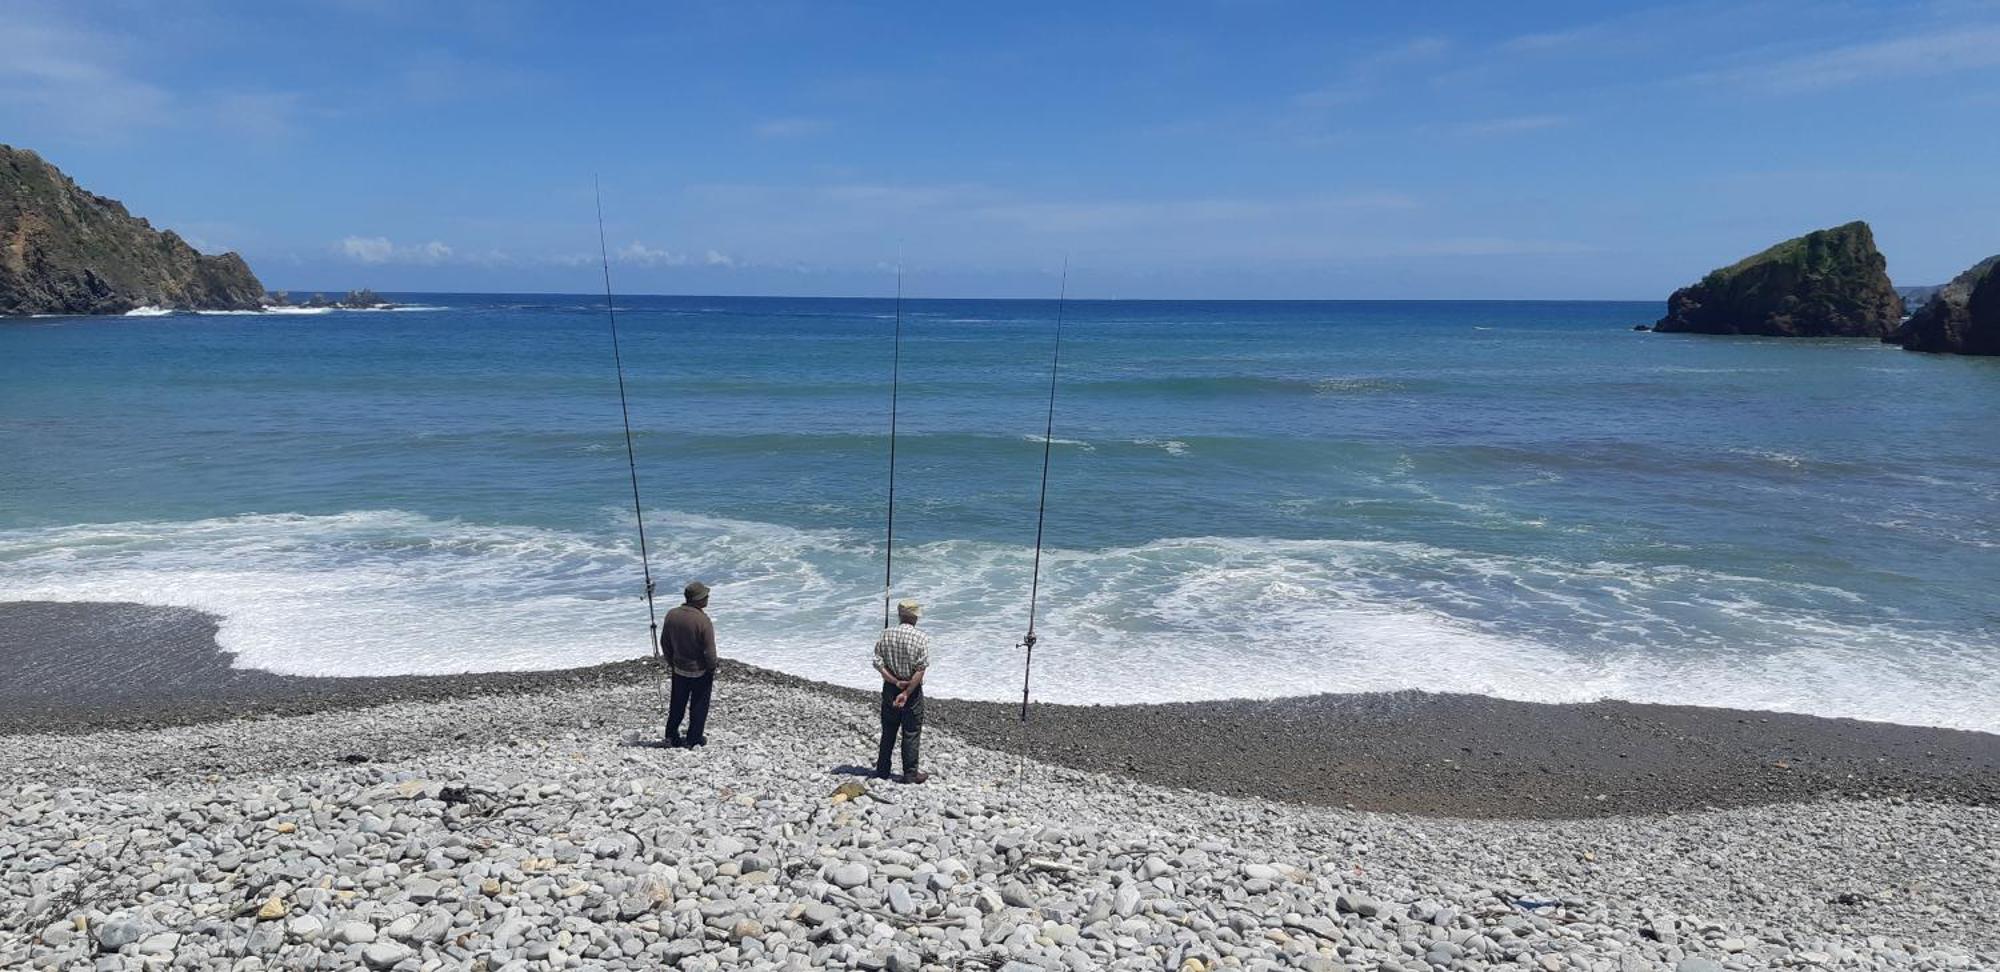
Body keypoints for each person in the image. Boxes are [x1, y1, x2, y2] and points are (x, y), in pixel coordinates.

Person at [873, 598, 931, 783]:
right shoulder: (921, 638)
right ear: (914, 617)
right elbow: (920, 669)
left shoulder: (886, 634)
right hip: (912, 691)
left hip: (890, 687)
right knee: (911, 731)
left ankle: (882, 770)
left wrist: (895, 682)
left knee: (888, 729)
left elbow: (878, 663)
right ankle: (910, 773)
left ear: (899, 615)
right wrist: (906, 692)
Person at [661, 580, 717, 747]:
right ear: (699, 599)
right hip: (699, 670)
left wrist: (672, 662)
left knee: (677, 704)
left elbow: (665, 643)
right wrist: (711, 668)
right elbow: (710, 652)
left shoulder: (672, 615)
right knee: (699, 706)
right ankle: (694, 738)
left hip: (679, 668)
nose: (708, 597)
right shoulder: (703, 620)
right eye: (706, 595)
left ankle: (671, 735)